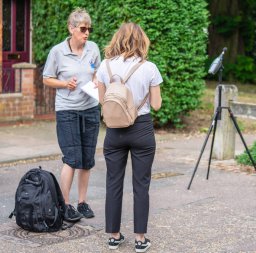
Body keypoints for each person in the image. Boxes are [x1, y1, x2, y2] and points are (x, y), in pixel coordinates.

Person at [96, 22, 163, 252]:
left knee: (113, 183)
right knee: (141, 185)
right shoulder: (150, 67)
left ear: (118, 39)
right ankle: (140, 240)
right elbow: (156, 104)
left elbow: (102, 102)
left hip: (114, 130)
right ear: (141, 41)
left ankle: (114, 236)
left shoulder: (105, 67)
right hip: (142, 128)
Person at [43, 8, 101, 222]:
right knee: (72, 158)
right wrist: (64, 83)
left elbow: (97, 71)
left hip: (90, 108)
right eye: (83, 29)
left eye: (89, 29)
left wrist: (96, 80)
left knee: (87, 159)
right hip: (67, 110)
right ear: (71, 28)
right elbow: (47, 78)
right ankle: (65, 204)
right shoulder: (57, 52)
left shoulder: (93, 49)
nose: (87, 33)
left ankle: (82, 202)